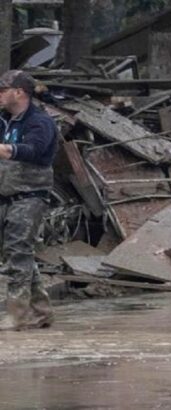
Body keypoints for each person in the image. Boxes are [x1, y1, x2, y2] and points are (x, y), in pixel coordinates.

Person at [0, 70, 57, 331]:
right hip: (6, 195)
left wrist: (5, 150)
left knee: (19, 251)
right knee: (17, 252)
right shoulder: (4, 121)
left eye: (3, 90)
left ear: (19, 92)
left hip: (30, 195)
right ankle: (40, 311)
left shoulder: (39, 122)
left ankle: (17, 314)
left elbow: (34, 150)